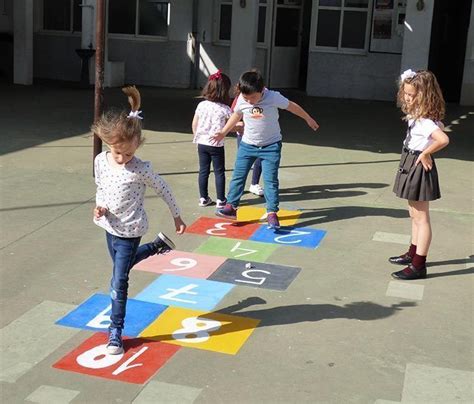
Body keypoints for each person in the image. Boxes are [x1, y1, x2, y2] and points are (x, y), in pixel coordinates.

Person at [92, 85, 186, 354]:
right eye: (118, 153)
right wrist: (99, 207)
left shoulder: (141, 169)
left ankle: (115, 332)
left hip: (131, 230)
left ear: (138, 145)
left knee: (118, 281)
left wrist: (177, 216)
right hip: (108, 226)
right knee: (122, 268)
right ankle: (157, 246)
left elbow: (164, 188)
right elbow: (101, 187)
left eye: (129, 154)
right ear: (109, 145)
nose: (122, 159)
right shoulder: (101, 160)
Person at [212, 70, 319, 229]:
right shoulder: (243, 99)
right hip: (247, 145)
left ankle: (271, 213)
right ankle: (231, 207)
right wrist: (224, 132)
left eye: (253, 98)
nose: (249, 101)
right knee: (238, 176)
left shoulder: (273, 97)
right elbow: (236, 115)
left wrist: (308, 118)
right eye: (246, 98)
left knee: (270, 181)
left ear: (262, 90)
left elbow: (292, 107)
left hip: (271, 146)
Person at [389, 69, 449, 280]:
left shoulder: (425, 121)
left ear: (424, 96)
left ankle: (418, 265)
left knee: (421, 218)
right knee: (413, 214)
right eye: (405, 93)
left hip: (417, 164)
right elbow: (440, 125)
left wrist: (425, 153)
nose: (407, 98)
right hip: (409, 161)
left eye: (412, 95)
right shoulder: (421, 117)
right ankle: (412, 253)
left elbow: (443, 139)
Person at [192, 70, 232, 208]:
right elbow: (231, 124)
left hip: (202, 143)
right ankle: (221, 199)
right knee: (219, 171)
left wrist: (198, 136)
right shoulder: (225, 109)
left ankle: (203, 198)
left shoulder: (201, 105)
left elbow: (194, 124)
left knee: (203, 170)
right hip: (217, 144)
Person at [231, 90, 264, 197]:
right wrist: (238, 123)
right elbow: (233, 114)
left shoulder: (259, 101)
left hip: (257, 137)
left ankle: (254, 184)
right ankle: (238, 188)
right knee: (242, 163)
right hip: (243, 136)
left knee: (259, 158)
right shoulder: (239, 99)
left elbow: (257, 117)